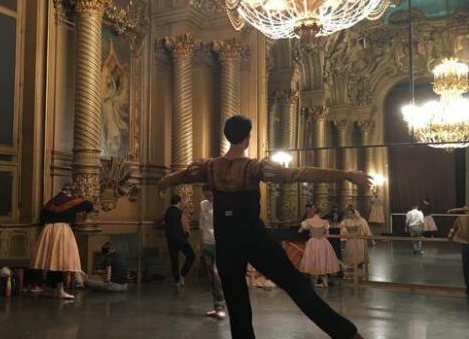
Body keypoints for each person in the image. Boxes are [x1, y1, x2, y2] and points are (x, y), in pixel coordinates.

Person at [157, 115, 370, 339]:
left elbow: (179, 177)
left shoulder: (210, 168)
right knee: (297, 287)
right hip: (254, 240)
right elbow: (300, 173)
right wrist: (345, 175)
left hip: (226, 244)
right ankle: (346, 334)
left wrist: (164, 182)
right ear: (247, 137)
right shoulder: (253, 168)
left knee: (237, 306)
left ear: (228, 136)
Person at [31, 183, 94, 300]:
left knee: (51, 262)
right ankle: (60, 290)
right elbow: (89, 205)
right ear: (71, 191)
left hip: (48, 230)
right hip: (61, 230)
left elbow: (41, 218)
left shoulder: (50, 202)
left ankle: (52, 289)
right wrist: (84, 214)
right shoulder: (71, 201)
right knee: (59, 261)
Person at [199, 186, 226, 319]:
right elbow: (202, 223)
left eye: (210, 195)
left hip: (220, 242)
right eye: (206, 195)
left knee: (217, 273)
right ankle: (217, 306)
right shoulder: (203, 204)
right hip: (207, 242)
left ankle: (221, 305)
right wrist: (200, 243)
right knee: (211, 274)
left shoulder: (223, 203)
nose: (208, 198)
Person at [298, 208, 340, 288]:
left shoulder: (308, 221)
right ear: (320, 213)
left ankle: (314, 282)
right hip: (323, 242)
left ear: (313, 213)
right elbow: (327, 235)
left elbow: (300, 231)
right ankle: (325, 282)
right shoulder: (325, 222)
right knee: (323, 260)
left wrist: (310, 232)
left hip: (312, 242)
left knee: (312, 260)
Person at [163, 194, 195, 287]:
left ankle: (176, 281)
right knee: (191, 255)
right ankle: (183, 274)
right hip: (180, 238)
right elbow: (184, 225)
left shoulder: (166, 212)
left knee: (174, 259)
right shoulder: (180, 212)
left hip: (170, 239)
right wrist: (188, 234)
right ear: (179, 202)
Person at [340, 207, 370, 278]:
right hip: (350, 240)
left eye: (350, 213)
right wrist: (348, 234)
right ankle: (354, 270)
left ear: (354, 214)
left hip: (358, 240)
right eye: (348, 214)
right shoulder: (345, 221)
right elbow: (342, 229)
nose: (349, 215)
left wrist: (353, 234)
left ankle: (360, 270)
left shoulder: (359, 221)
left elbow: (359, 231)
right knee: (351, 255)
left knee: (359, 255)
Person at [447, 205, 469, 296]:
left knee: (466, 267)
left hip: (465, 244)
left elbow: (452, 230)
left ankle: (468, 287)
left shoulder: (460, 218)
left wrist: (449, 237)